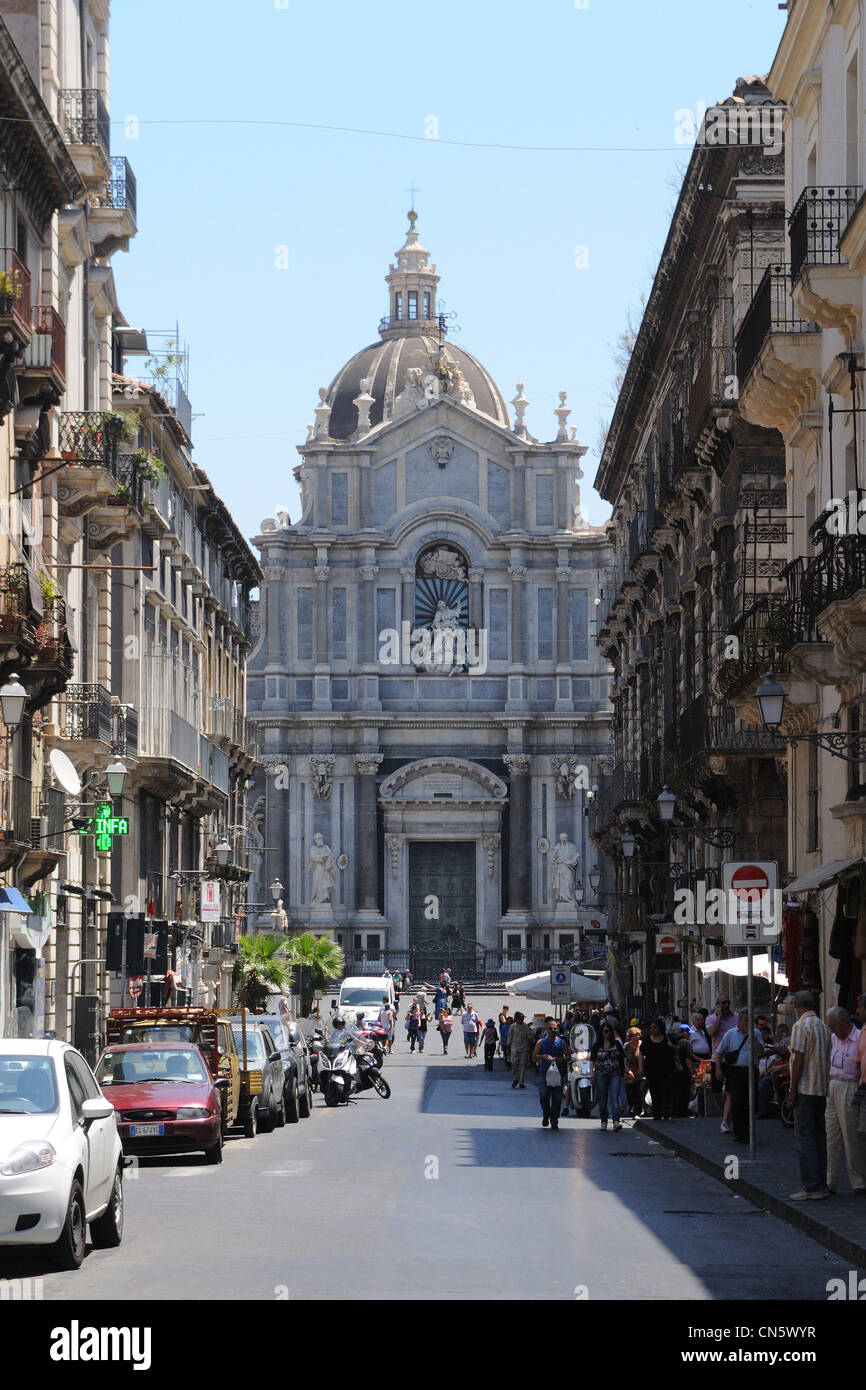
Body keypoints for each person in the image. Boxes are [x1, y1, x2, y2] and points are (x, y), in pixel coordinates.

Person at [788, 990, 832, 1201]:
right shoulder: (823, 1026)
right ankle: (821, 1183)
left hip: (805, 1089)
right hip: (821, 1089)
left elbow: (798, 1059)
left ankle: (811, 1186)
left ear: (797, 1007)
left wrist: (792, 1089)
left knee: (805, 1139)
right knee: (819, 1138)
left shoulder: (800, 1026)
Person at [825, 1006, 866, 1195]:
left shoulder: (859, 1038)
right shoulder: (834, 1038)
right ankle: (830, 1180)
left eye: (833, 1026)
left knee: (851, 1137)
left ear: (844, 1023)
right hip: (834, 1084)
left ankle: (858, 1180)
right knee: (831, 1135)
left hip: (850, 1085)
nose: (831, 1030)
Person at [715, 1009, 764, 1143]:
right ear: (740, 1020)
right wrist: (718, 1069)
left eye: (750, 1021)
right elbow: (719, 1052)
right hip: (736, 1072)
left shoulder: (756, 1033)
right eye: (745, 1020)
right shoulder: (730, 1034)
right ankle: (738, 1132)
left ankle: (748, 1132)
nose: (747, 1024)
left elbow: (760, 1051)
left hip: (751, 1071)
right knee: (737, 1100)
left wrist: (752, 1036)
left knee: (750, 1101)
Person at [706, 993, 739, 1133]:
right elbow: (711, 1033)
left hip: (732, 1060)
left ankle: (725, 1121)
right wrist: (719, 1017)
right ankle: (727, 1112)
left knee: (730, 1092)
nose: (726, 1005)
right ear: (717, 1005)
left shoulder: (736, 1018)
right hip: (717, 1059)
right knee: (716, 1092)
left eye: (727, 1002)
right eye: (723, 1003)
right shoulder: (710, 1019)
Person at [533, 1018, 569, 1130]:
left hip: (558, 1074)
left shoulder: (561, 1043)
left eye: (555, 1028)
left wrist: (560, 1059)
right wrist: (543, 1056)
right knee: (544, 1096)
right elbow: (534, 1056)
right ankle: (546, 1114)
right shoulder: (541, 1042)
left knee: (557, 1099)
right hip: (545, 1074)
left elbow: (568, 1056)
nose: (553, 1030)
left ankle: (554, 1120)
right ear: (546, 1029)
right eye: (551, 1028)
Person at [591, 1021, 627, 1131]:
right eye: (606, 1031)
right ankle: (604, 1121)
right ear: (601, 1033)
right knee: (602, 1099)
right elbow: (592, 1060)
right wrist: (591, 1074)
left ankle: (616, 1121)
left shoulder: (616, 1044)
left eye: (610, 1031)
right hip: (601, 1074)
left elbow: (623, 1058)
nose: (608, 1033)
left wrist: (625, 1070)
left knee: (614, 1098)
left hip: (615, 1074)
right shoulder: (596, 1046)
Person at [640, 1018, 677, 1120]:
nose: (652, 1029)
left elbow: (676, 1051)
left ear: (660, 1028)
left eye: (655, 1027)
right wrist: (640, 1067)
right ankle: (656, 1113)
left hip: (666, 1070)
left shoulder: (667, 1038)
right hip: (651, 1071)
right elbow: (641, 1053)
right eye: (651, 1027)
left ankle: (666, 1111)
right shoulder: (647, 1039)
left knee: (665, 1091)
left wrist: (672, 1046)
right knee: (654, 1091)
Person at [673, 1023, 697, 1118]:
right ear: (685, 1033)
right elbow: (688, 1059)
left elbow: (690, 1055)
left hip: (674, 1072)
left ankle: (676, 1111)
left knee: (677, 1091)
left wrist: (698, 1059)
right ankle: (682, 1112)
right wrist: (692, 1073)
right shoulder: (686, 1043)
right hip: (684, 1072)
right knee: (684, 1092)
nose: (690, 1035)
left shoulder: (676, 1042)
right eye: (689, 1033)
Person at [624, 1026, 645, 1117]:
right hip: (630, 1073)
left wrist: (642, 1068)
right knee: (631, 1093)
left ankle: (638, 1111)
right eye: (633, 1035)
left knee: (640, 1092)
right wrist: (628, 1070)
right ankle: (632, 1107)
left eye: (637, 1035)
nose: (636, 1037)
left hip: (641, 1073)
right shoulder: (626, 1046)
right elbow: (624, 1060)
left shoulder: (642, 1045)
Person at [509, 1011, 531, 1088]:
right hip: (514, 1047)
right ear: (517, 1019)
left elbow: (528, 1036)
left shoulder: (526, 1026)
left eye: (522, 1018)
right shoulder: (512, 1026)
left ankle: (521, 1081)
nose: (522, 1020)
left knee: (522, 1065)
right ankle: (515, 1079)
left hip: (524, 1047)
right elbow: (510, 1037)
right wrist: (507, 1048)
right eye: (520, 1018)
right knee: (514, 1063)